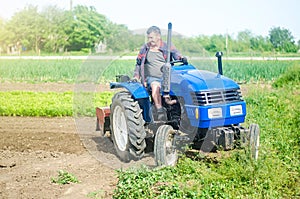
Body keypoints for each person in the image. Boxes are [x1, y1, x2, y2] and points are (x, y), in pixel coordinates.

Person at [133, 25, 187, 120]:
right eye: (149, 38)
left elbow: (177, 55)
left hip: (167, 77)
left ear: (158, 36)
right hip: (152, 78)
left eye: (152, 37)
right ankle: (160, 110)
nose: (150, 40)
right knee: (155, 88)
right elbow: (138, 63)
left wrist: (181, 58)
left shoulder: (167, 46)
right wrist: (136, 77)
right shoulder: (145, 48)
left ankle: (181, 112)